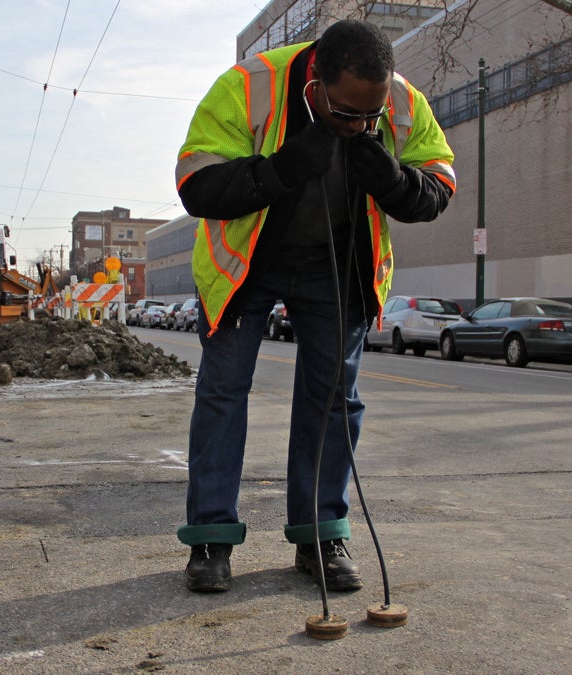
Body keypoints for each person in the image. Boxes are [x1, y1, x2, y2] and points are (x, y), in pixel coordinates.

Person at [174, 20, 456, 593]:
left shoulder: (402, 102)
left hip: (338, 267)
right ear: (316, 82)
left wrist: (394, 181)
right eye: (346, 112)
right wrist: (280, 168)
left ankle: (322, 534)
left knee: (332, 400)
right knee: (223, 394)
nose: (360, 125)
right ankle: (210, 539)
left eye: (369, 116)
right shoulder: (248, 86)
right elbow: (195, 186)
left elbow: (439, 186)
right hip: (248, 267)